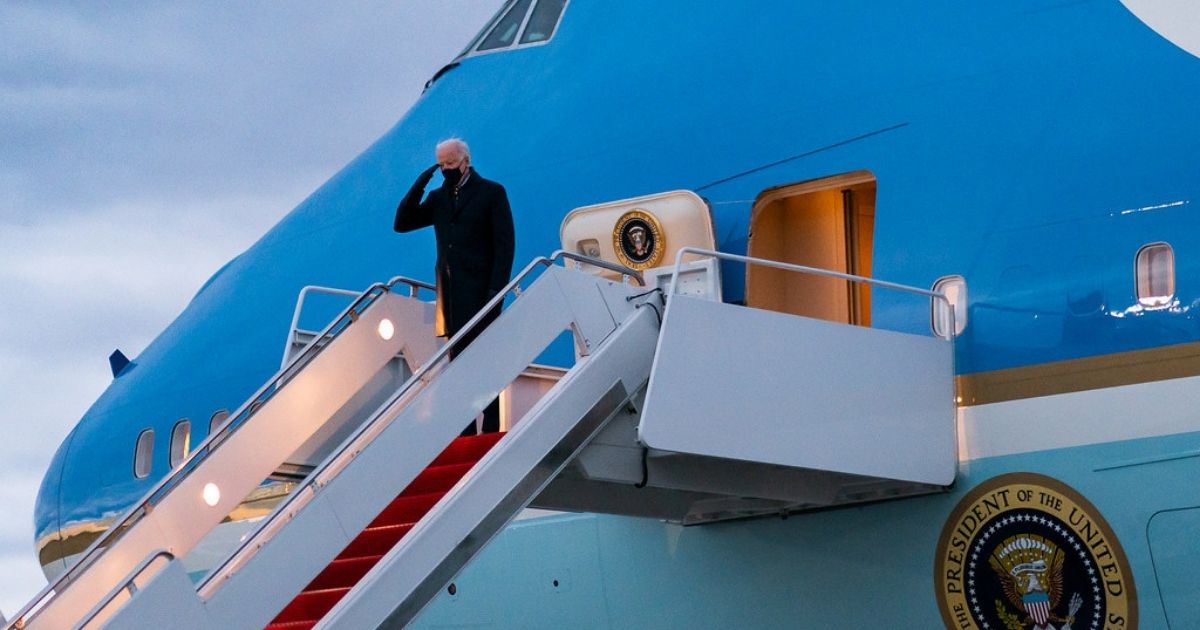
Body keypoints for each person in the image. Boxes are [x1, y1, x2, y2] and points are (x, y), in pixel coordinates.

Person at [394, 138, 515, 435]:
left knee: (485, 361)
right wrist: (422, 181)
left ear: (465, 161)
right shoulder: (438, 198)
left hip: (482, 291)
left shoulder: (491, 193)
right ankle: (463, 429)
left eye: (450, 163)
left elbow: (505, 246)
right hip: (449, 294)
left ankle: (489, 428)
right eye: (441, 164)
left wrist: (495, 293)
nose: (446, 168)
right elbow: (402, 222)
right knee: (458, 362)